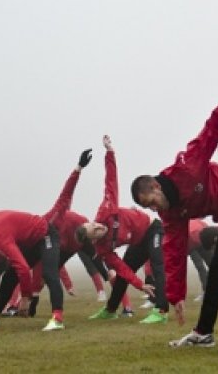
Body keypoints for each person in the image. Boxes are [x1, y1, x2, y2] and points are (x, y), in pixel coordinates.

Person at [131, 86, 218, 357]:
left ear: (155, 187)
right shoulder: (169, 214)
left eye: (150, 202)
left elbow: (214, 124)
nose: (152, 209)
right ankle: (203, 333)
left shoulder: (187, 166)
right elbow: (173, 251)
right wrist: (176, 296)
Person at [0, 148, 92, 331]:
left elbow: (23, 267)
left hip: (47, 235)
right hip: (31, 240)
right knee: (9, 276)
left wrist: (25, 297)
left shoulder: (1, 239)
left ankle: (57, 318)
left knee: (49, 273)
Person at [79, 136, 165, 324]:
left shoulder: (106, 210)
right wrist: (141, 285)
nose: (98, 226)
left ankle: (161, 310)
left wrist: (109, 152)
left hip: (152, 229)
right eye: (95, 231)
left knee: (158, 265)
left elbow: (110, 180)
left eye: (93, 224)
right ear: (94, 241)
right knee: (121, 277)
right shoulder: (103, 250)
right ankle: (110, 310)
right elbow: (123, 269)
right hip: (138, 242)